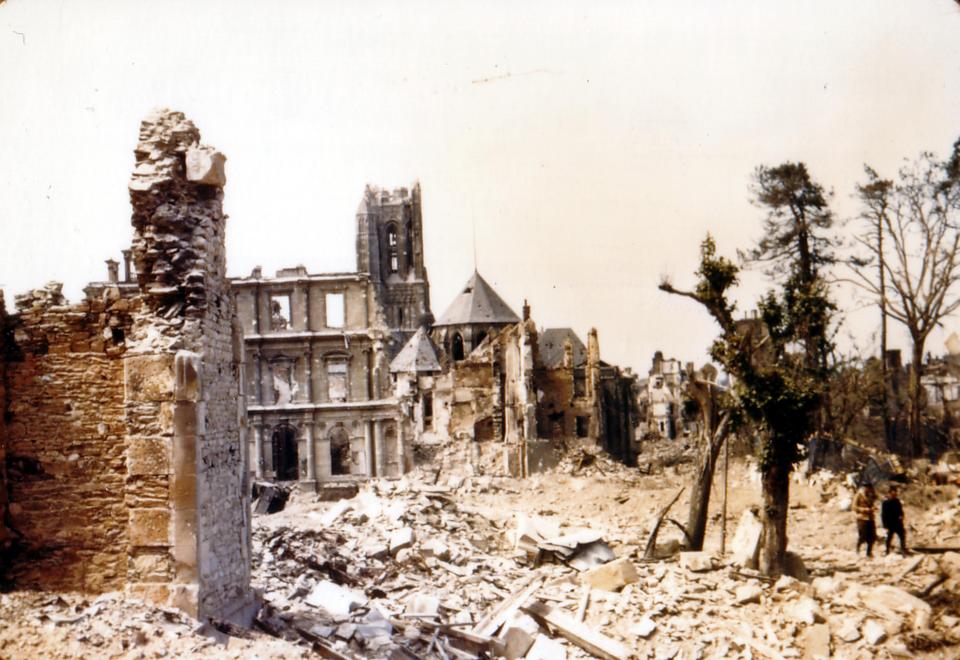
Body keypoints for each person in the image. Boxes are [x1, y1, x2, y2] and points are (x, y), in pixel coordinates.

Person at [881, 485, 907, 555]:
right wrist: (885, 526)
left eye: (895, 494)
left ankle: (903, 549)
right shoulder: (885, 503)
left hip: (898, 522)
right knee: (889, 538)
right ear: (889, 493)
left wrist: (902, 516)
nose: (894, 495)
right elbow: (883, 515)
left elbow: (900, 510)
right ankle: (887, 551)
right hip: (890, 524)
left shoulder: (897, 501)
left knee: (902, 536)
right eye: (893, 494)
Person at [853, 483, 877, 557]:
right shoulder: (858, 495)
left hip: (870, 518)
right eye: (867, 488)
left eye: (869, 488)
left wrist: (873, 508)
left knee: (872, 536)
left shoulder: (871, 495)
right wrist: (864, 510)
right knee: (862, 535)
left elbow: (874, 501)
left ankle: (869, 552)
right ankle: (857, 549)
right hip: (862, 518)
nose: (868, 490)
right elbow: (854, 507)